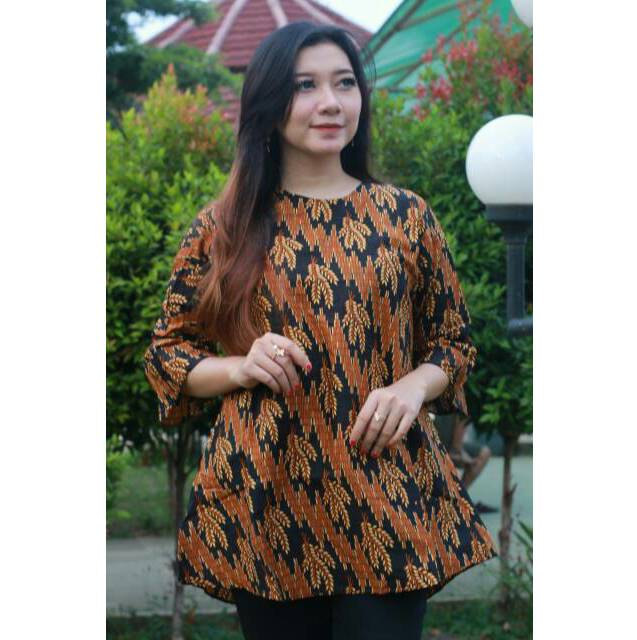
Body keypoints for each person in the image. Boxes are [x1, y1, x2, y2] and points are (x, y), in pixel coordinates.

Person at [143, 21, 498, 640]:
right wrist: (240, 366)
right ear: (268, 101)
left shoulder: (405, 216)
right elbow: (169, 354)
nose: (330, 102)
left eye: (344, 83)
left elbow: (454, 343)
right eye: (305, 86)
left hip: (386, 486)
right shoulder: (224, 226)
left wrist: (413, 387)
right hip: (268, 498)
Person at [434, 413, 497, 514]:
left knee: (484, 453)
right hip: (435, 445)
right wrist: (457, 451)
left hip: (451, 447)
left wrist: (458, 450)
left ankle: (459, 497)